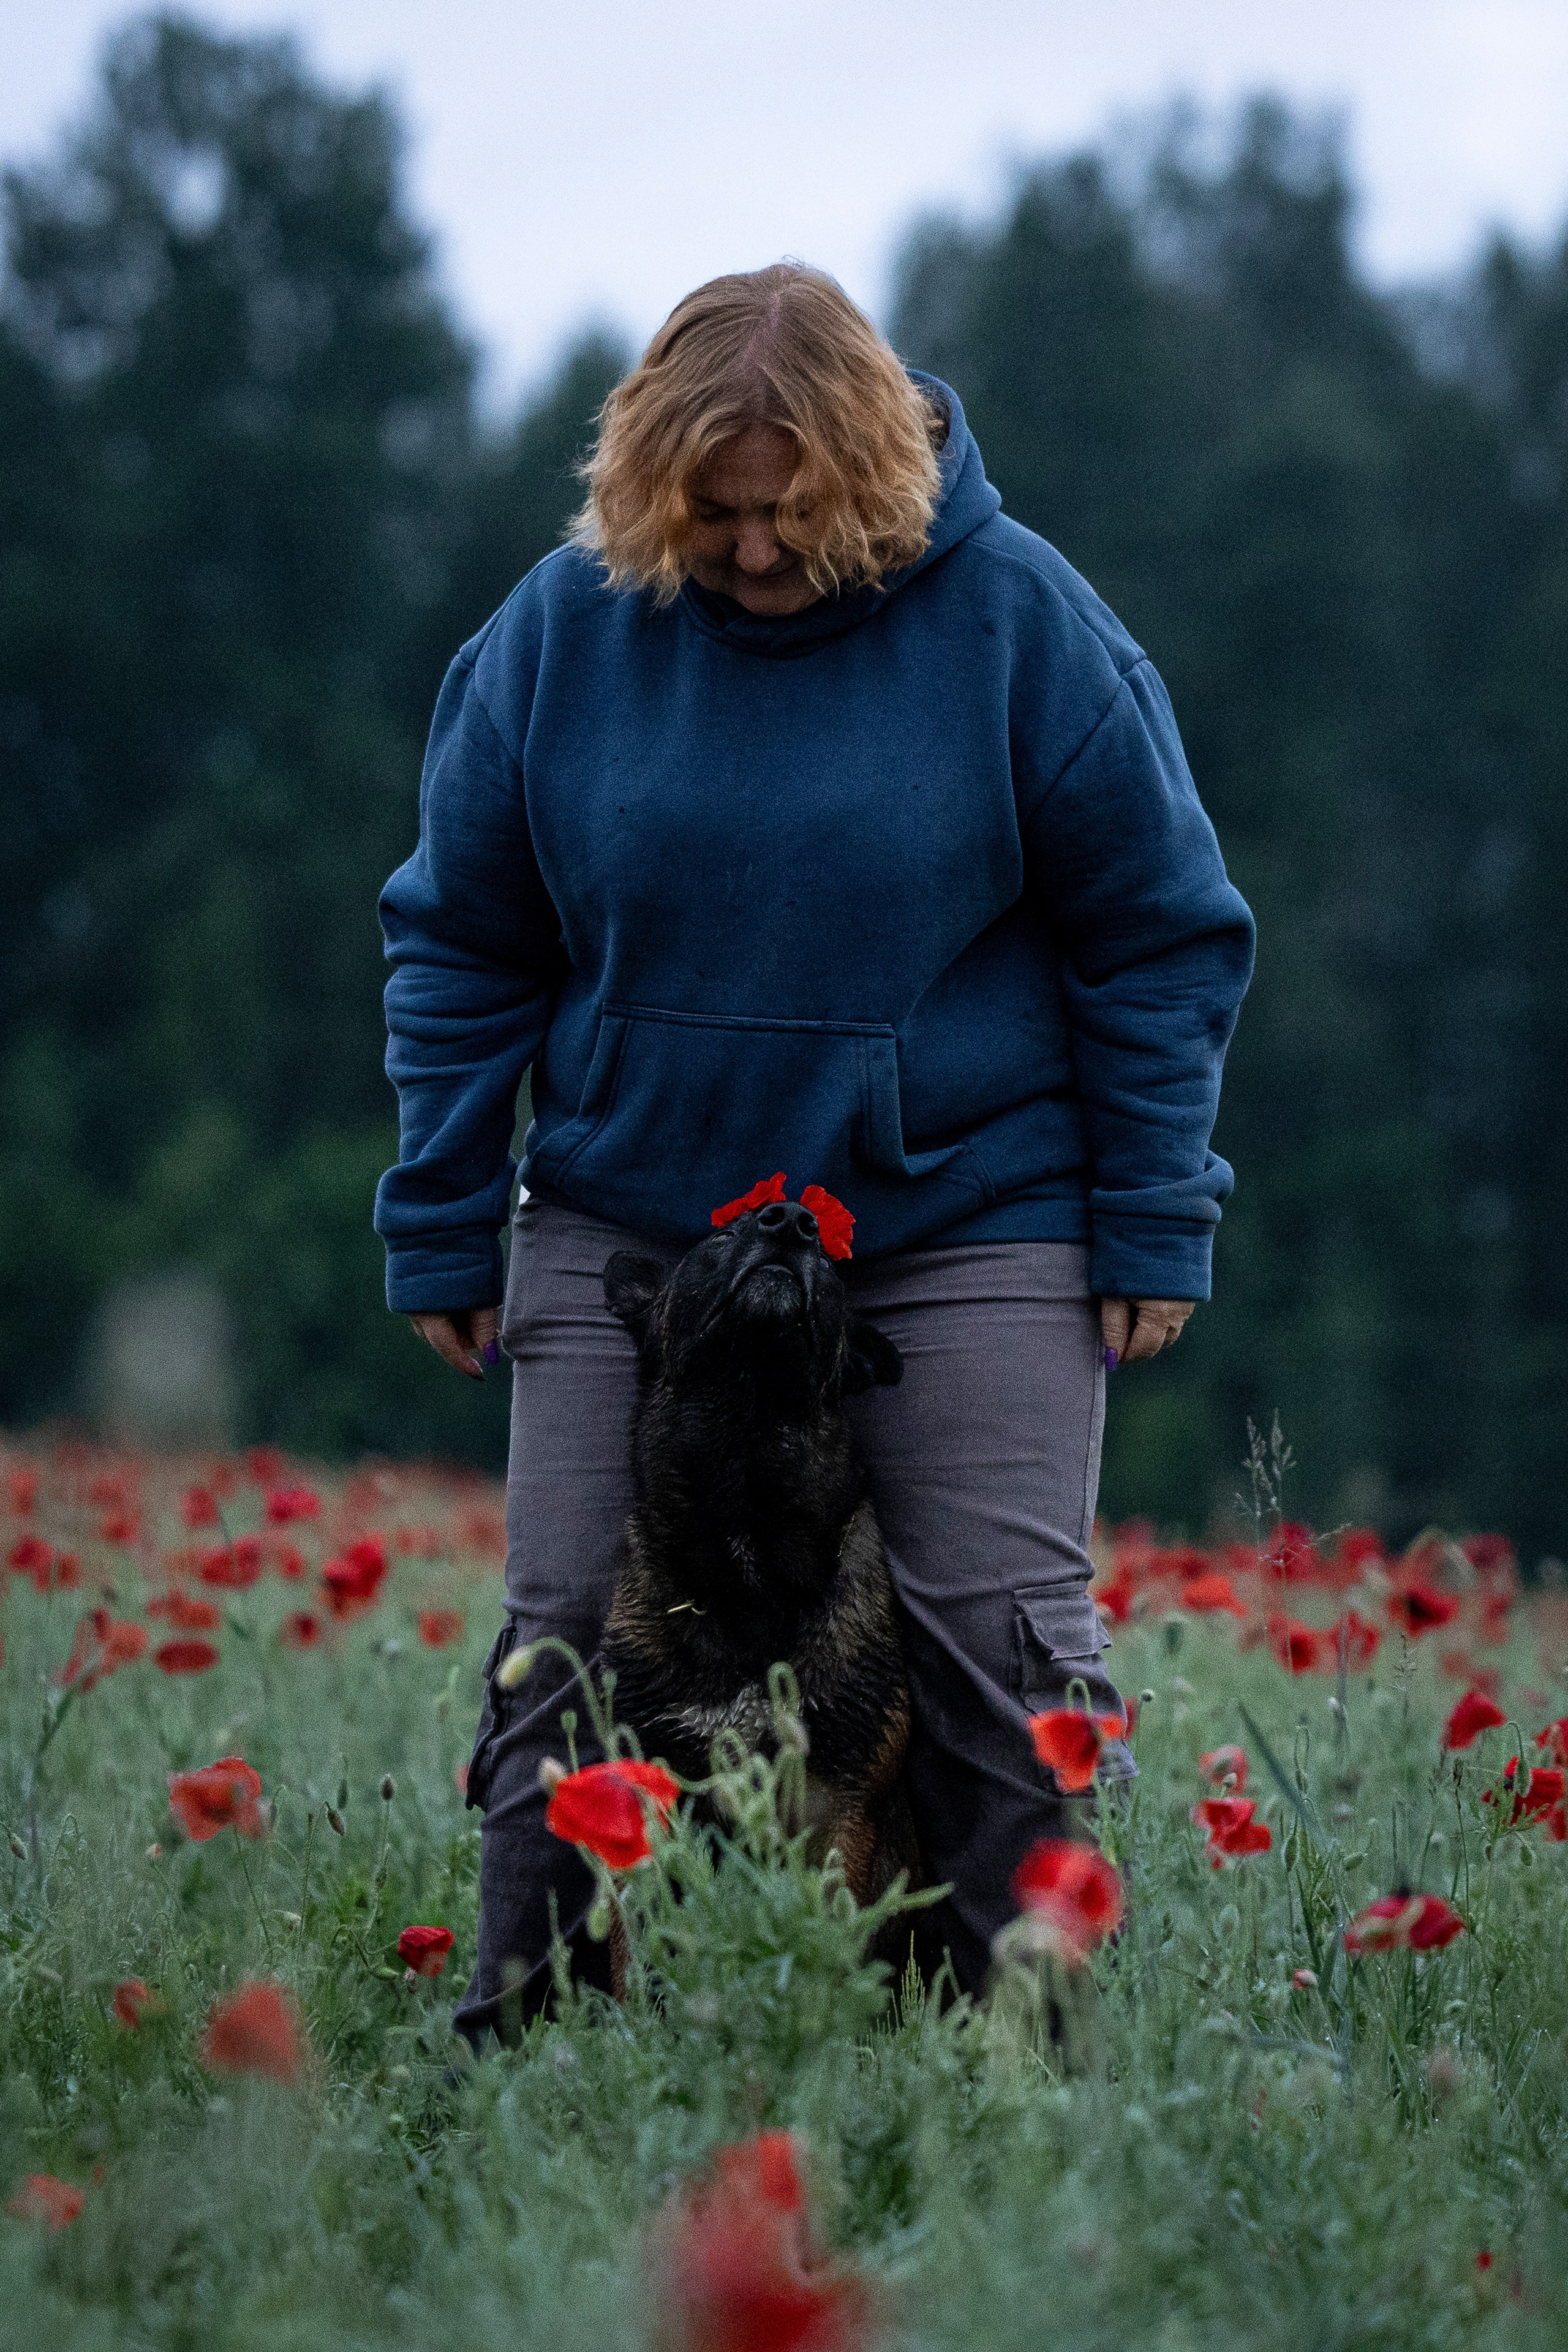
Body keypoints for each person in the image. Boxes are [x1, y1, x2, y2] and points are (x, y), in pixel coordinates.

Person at [375, 263, 1254, 2045]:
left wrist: (1158, 1207)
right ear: (645, 485)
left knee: (1002, 1647)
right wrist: (445, 1215)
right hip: (633, 1215)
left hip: (963, 1218)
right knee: (563, 1639)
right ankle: (527, 2052)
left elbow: (1160, 930)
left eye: (796, 513)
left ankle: (1022, 2065)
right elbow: (461, 939)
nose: (758, 552)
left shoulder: (1023, 624)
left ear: (880, 474)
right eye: (715, 516)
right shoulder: (555, 639)